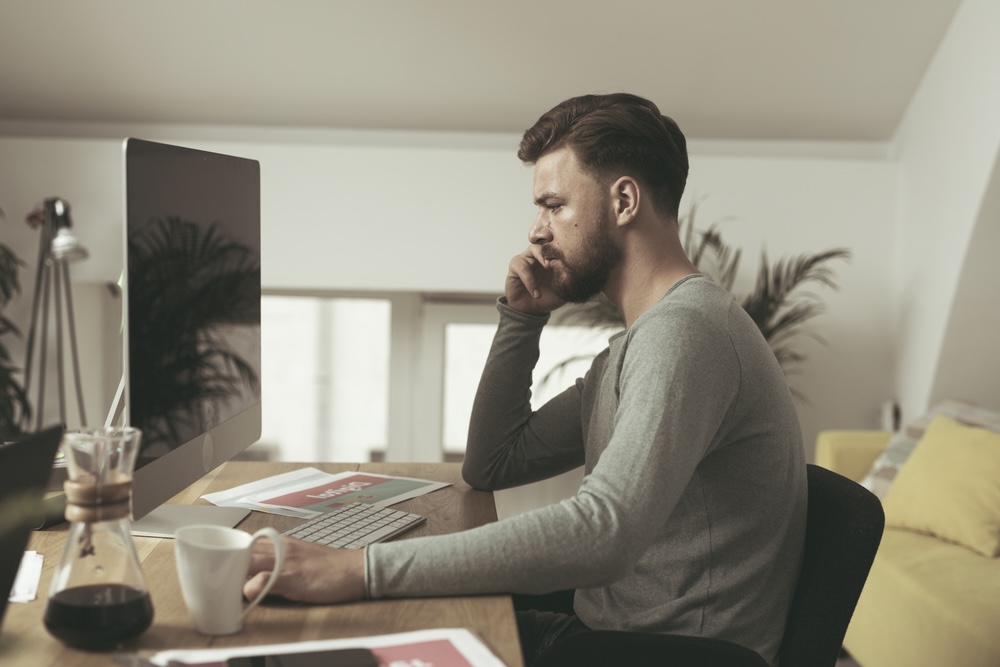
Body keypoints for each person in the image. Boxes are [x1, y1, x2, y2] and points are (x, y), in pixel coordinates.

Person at [245, 93, 808, 667]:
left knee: (343, 635)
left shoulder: (684, 335)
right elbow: (494, 464)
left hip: (658, 653)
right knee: (354, 630)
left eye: (553, 205)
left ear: (624, 200)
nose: (536, 232)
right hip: (606, 631)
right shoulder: (640, 344)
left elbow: (603, 532)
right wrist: (523, 318)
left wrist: (359, 569)